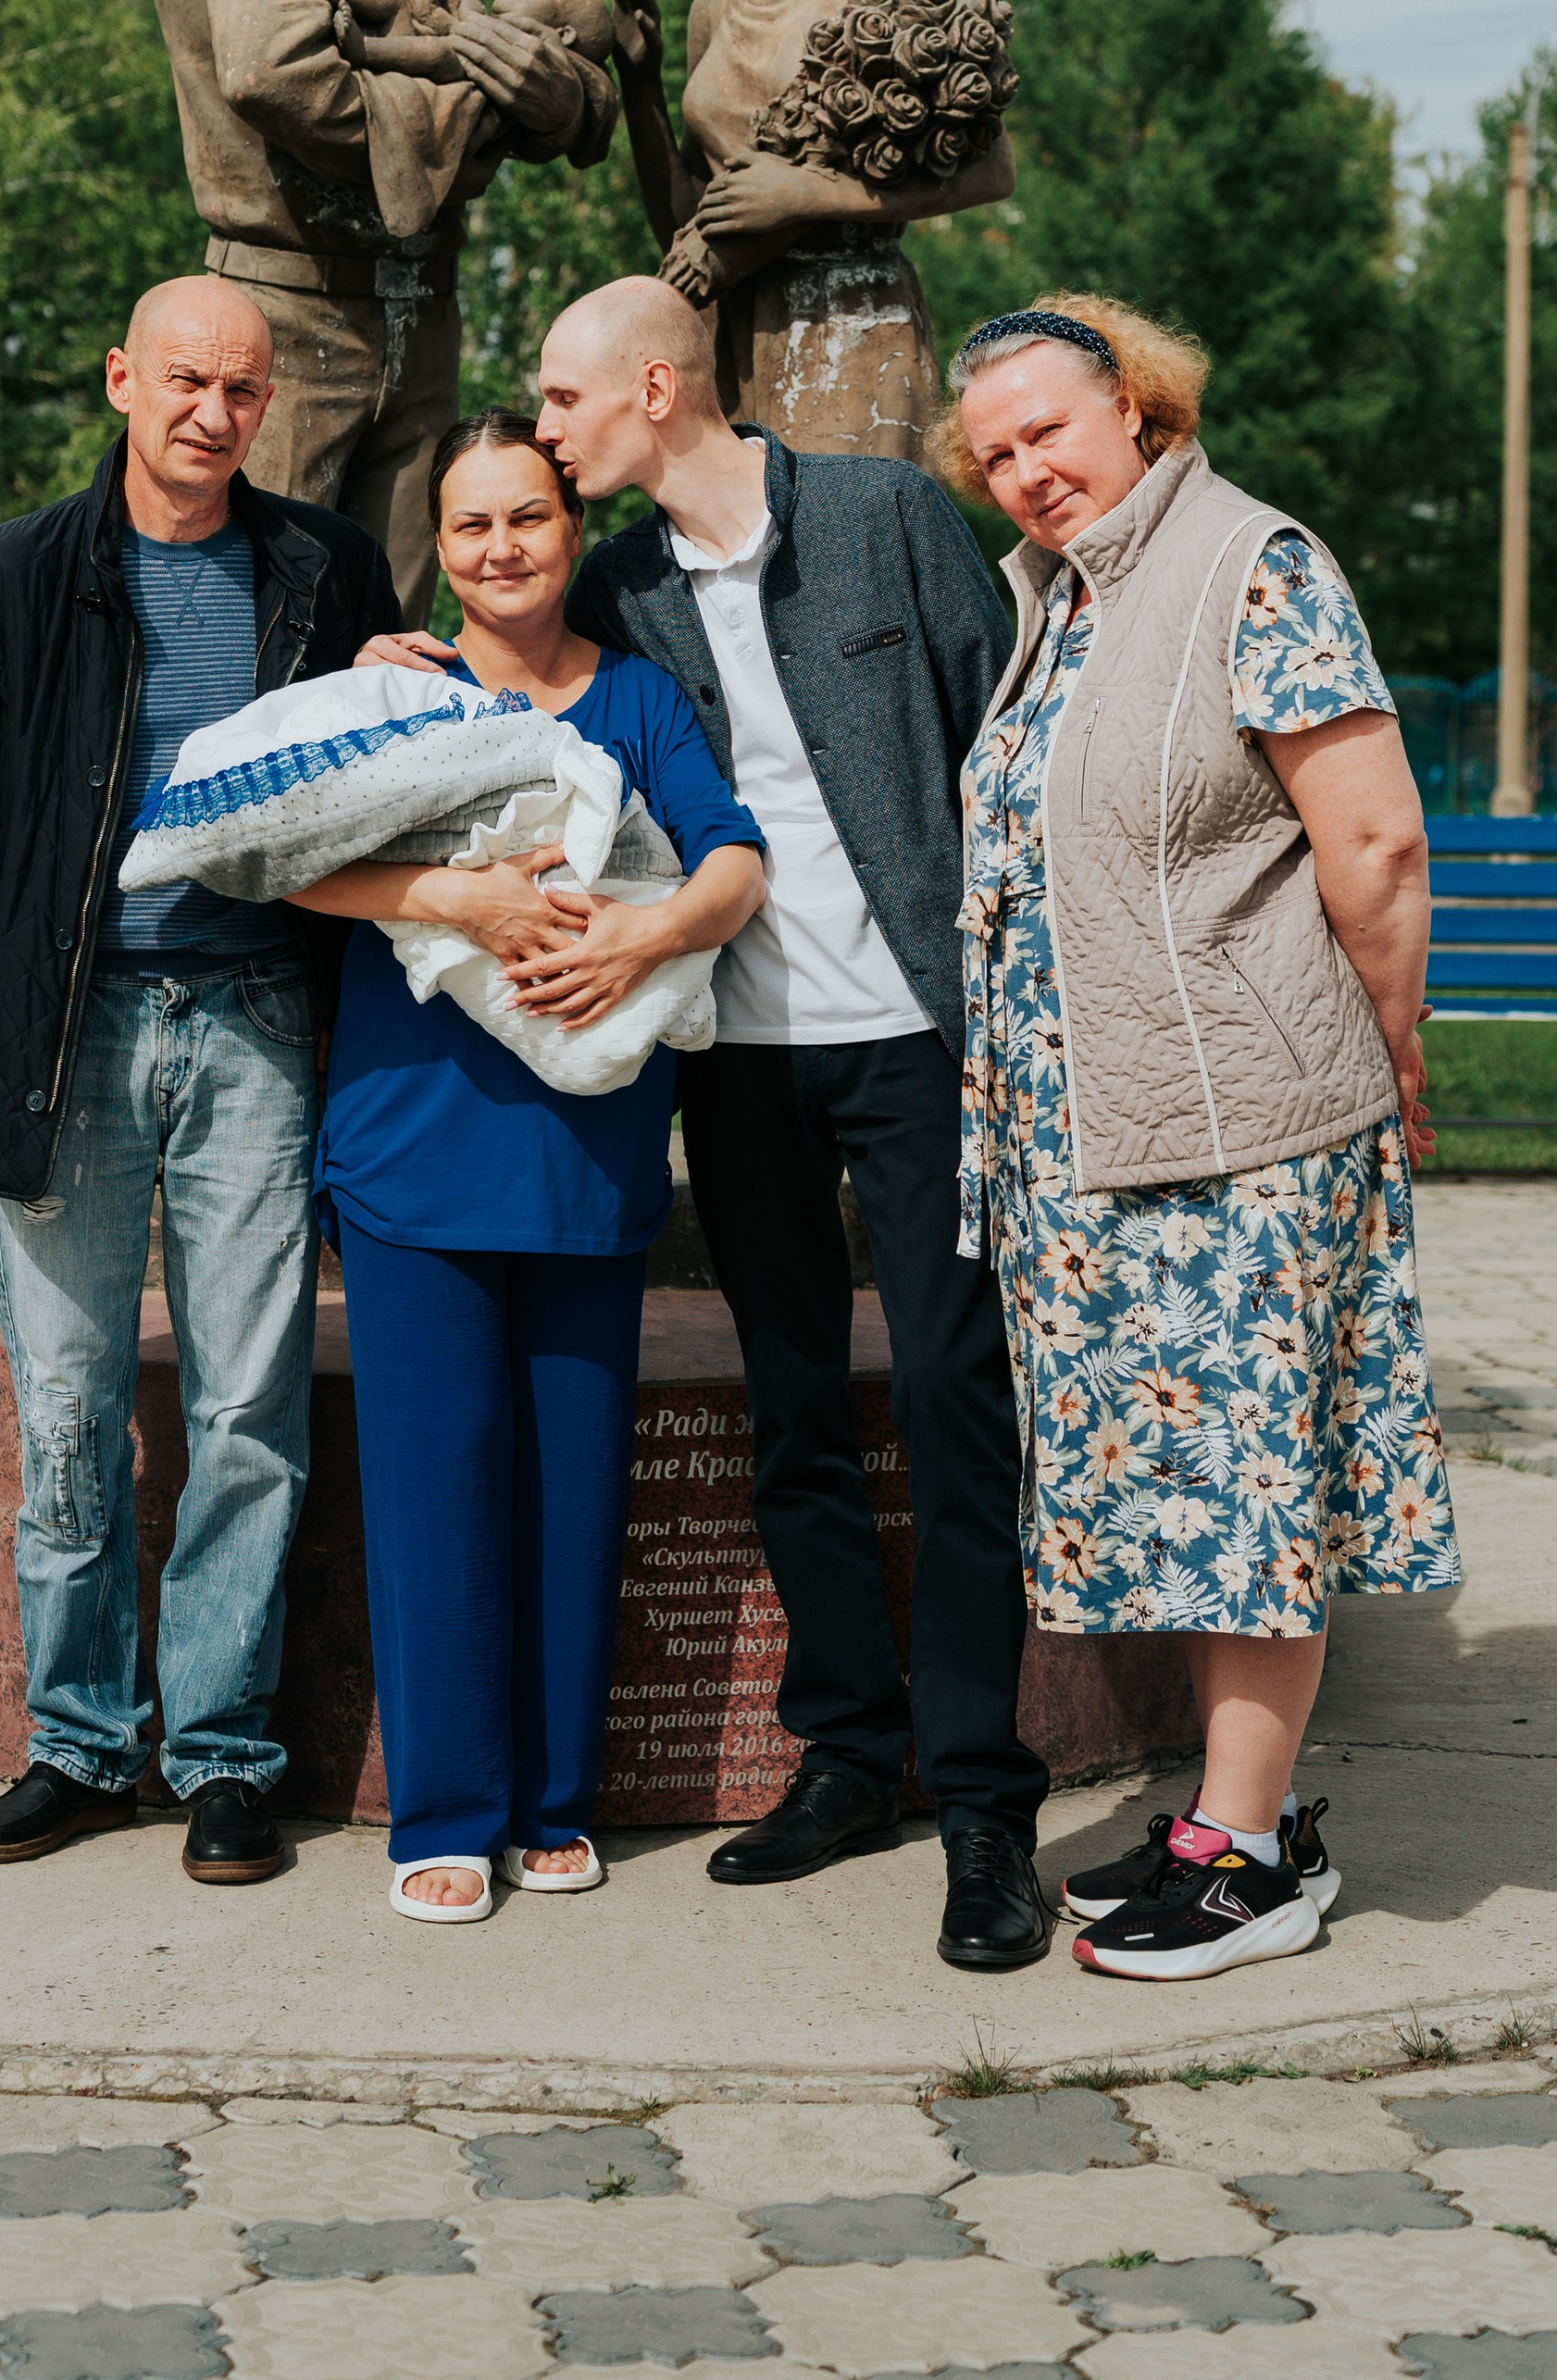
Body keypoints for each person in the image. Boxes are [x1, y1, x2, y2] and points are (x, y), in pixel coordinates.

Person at [523, 278, 1056, 1975]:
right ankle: (848, 1753)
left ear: (654, 386)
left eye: (560, 401)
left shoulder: (889, 517)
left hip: (915, 1037)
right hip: (737, 1059)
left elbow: (1010, 751)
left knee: (963, 1412)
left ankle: (984, 1804)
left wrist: (1019, 1015)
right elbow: (511, 688)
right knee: (794, 1408)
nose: (546, 429)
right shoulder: (617, 585)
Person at [940, 295, 1458, 1981]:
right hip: (1108, 1142)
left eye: (1051, 432)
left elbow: (1371, 840)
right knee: (1193, 1502)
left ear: (1140, 411)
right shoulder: (1069, 597)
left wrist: (1390, 1041)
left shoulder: (1252, 563)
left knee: (1246, 1497)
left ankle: (1249, 1865)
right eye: (996, 451)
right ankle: (1245, 1814)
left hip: (1241, 1136)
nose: (1025, 470)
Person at [0, 278, 399, 1883]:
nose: (213, 412)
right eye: (185, 380)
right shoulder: (9, 577)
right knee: (71, 1403)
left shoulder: (323, 567)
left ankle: (228, 1756)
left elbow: (370, 780)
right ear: (121, 381)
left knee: (248, 1406)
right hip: (65, 1033)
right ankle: (81, 1744)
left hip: (253, 1022)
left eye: (243, 390)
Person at [285, 411, 766, 1925]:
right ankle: (442, 1811)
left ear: (573, 534)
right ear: (439, 544)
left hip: (584, 1157)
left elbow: (734, 855)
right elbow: (285, 859)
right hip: (410, 1149)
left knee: (571, 1491)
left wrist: (648, 927)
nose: (502, 549)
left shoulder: (638, 698)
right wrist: (456, 899)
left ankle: (556, 1798)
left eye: (530, 520)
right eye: (473, 524)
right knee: (435, 1489)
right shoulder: (391, 693)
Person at [145, 0, 617, 618]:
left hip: (420, 314)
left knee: (392, 647)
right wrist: (466, 121)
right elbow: (277, 73)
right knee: (255, 643)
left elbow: (552, 95)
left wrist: (548, 94)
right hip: (283, 318)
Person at [602, 0, 1015, 464]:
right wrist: (640, 85)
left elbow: (992, 170)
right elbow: (688, 231)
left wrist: (806, 195)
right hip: (730, 343)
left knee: (843, 564)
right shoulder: (712, 7)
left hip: (852, 327)